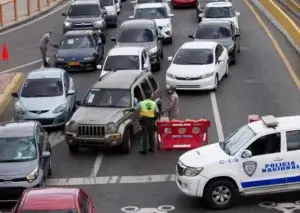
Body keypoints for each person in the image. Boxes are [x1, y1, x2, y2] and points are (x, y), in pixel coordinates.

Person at [135, 90, 159, 155]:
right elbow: (157, 112)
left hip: (144, 121)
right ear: (151, 96)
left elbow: (135, 109)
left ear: (145, 96)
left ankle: (145, 151)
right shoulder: (154, 103)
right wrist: (155, 119)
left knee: (145, 135)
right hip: (152, 121)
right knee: (151, 135)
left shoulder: (141, 103)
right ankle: (152, 149)